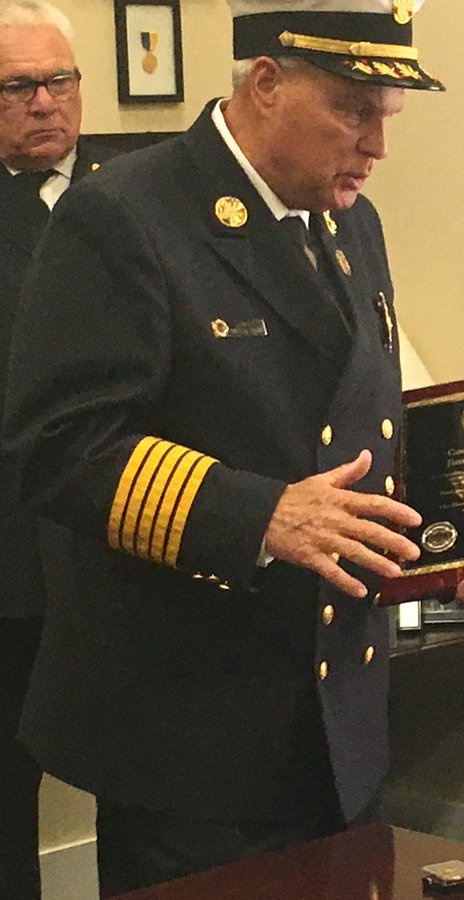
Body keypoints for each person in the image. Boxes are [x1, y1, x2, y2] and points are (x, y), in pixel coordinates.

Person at [1, 0, 464, 894]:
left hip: (337, 720)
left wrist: (452, 542)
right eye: (353, 112)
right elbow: (61, 447)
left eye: (386, 116)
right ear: (266, 83)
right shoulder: (126, 214)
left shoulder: (352, 221)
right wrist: (262, 515)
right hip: (192, 730)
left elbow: (358, 421)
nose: (378, 146)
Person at [0, 2, 112, 896]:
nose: (44, 102)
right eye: (16, 87)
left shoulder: (136, 190)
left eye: (59, 80)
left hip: (131, 547)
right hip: (13, 560)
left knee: (150, 785)